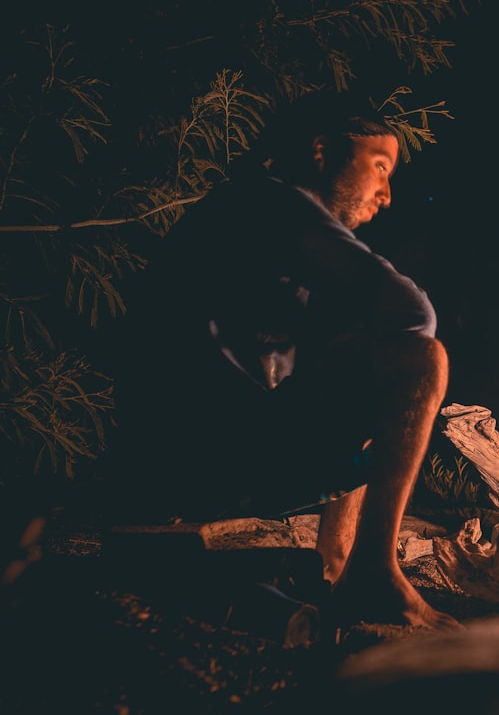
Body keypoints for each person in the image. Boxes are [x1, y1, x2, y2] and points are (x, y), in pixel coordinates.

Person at [111, 90, 460, 631]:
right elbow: (411, 311)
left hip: (205, 451)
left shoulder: (253, 227)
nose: (386, 195)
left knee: (367, 363)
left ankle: (335, 569)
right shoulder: (267, 204)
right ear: (322, 152)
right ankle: (372, 569)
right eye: (380, 167)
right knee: (419, 360)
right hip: (199, 453)